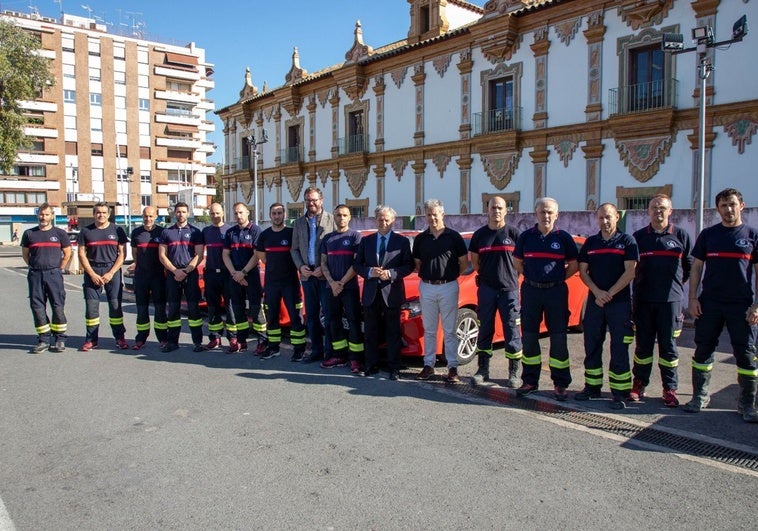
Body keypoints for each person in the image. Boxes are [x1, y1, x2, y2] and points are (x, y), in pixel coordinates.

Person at [685, 188, 758, 422]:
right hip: (710, 304)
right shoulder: (708, 235)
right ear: (717, 209)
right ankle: (700, 396)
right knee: (703, 349)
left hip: (741, 305)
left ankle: (747, 404)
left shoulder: (752, 235)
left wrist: (757, 305)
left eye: (732, 204)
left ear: (742, 206)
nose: (728, 209)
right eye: (724, 205)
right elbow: (696, 267)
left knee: (746, 354)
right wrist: (693, 298)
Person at [513, 197, 579, 400]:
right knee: (530, 337)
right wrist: (533, 278)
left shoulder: (564, 238)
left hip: (556, 293)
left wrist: (557, 279)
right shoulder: (526, 237)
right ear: (536, 214)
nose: (546, 216)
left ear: (557, 215)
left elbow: (574, 265)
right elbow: (517, 262)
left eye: (550, 212)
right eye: (543, 212)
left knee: (558, 338)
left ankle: (560, 383)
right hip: (531, 291)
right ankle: (530, 380)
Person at [631, 194, 692, 407]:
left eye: (663, 208)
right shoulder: (638, 237)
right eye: (654, 208)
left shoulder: (681, 236)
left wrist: (674, 286)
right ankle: (639, 384)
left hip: (670, 303)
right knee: (643, 347)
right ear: (648, 211)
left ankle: (670, 389)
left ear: (670, 210)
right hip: (644, 301)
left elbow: (689, 267)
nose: (659, 211)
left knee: (669, 349)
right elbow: (631, 268)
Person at [577, 203, 638, 409]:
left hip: (619, 303)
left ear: (617, 218)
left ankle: (620, 392)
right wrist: (597, 292)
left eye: (609, 217)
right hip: (595, 302)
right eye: (601, 217)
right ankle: (592, 387)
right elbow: (583, 272)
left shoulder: (627, 241)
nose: (605, 221)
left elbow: (630, 272)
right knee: (592, 344)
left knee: (619, 347)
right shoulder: (591, 243)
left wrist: (609, 294)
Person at [412, 199, 468, 383]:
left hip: (448, 286)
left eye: (435, 214)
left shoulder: (454, 237)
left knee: (450, 330)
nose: (432, 218)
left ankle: (452, 367)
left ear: (442, 214)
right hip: (427, 286)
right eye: (428, 214)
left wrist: (449, 277)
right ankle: (429, 365)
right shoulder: (420, 239)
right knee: (429, 329)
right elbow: (417, 264)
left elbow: (463, 263)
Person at [355, 205, 413, 380]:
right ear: (375, 220)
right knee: (370, 331)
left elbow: (408, 266)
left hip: (392, 291)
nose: (383, 222)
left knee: (393, 332)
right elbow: (357, 265)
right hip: (371, 291)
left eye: (387, 219)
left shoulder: (401, 241)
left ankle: (394, 367)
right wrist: (369, 272)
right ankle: (370, 364)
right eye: (380, 219)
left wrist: (390, 274)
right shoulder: (367, 241)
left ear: (393, 221)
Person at [469, 196, 522, 386]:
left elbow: (521, 263)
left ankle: (514, 372)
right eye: (493, 208)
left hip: (509, 290)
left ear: (506, 210)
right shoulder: (479, 235)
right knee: (485, 329)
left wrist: (512, 279)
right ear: (487, 210)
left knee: (512, 330)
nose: (496, 211)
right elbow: (475, 263)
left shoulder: (514, 234)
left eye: (500, 208)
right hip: (487, 290)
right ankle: (483, 369)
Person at [256, 202, 307, 360]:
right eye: (274, 213)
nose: (277, 216)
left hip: (290, 283)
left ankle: (299, 349)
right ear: (270, 215)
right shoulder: (264, 236)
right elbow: (262, 257)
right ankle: (273, 347)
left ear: (284, 215)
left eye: (279, 213)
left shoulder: (291, 233)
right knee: (271, 317)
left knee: (295, 317)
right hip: (272, 283)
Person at [291, 186, 335, 363]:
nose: (311, 203)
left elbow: (336, 248)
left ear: (321, 201)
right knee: (311, 316)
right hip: (307, 276)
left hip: (324, 276)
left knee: (329, 315)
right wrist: (301, 267)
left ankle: (330, 351)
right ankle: (316, 350)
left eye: (314, 200)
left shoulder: (331, 220)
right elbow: (294, 249)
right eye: (308, 200)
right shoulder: (298, 223)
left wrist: (323, 269)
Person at [78, 202, 130, 351]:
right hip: (92, 271)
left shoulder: (117, 230)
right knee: (91, 309)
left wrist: (111, 272)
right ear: (94, 214)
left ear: (109, 214)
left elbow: (122, 254)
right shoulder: (85, 231)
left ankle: (120, 338)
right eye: (98, 212)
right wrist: (92, 273)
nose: (101, 215)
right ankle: (91, 340)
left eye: (104, 212)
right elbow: (81, 253)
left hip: (111, 271)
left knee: (115, 307)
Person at [319, 204, 364, 373]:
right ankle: (339, 355)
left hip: (349, 287)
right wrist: (332, 283)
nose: (341, 218)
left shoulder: (356, 237)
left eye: (345, 215)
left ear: (350, 217)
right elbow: (323, 263)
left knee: (353, 322)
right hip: (331, 288)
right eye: (338, 215)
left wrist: (342, 283)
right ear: (334, 217)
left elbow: (356, 264)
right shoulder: (328, 239)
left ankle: (356, 358)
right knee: (333, 321)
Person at [21, 203, 71, 353]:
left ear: (52, 216)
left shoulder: (60, 234)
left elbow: (67, 254)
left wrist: (59, 268)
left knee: (58, 306)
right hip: (35, 274)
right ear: (38, 215)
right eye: (41, 214)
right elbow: (25, 254)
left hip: (54, 274)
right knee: (37, 307)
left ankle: (60, 338)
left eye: (47, 214)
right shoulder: (29, 234)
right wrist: (34, 266)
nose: (44, 217)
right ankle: (43, 339)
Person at [222, 202, 268, 355]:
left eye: (241, 212)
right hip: (234, 277)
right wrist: (235, 273)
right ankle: (241, 341)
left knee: (256, 309)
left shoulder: (256, 231)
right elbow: (225, 255)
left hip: (251, 276)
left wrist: (243, 272)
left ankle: (262, 341)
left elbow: (257, 255)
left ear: (248, 213)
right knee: (237, 309)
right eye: (235, 213)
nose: (238, 216)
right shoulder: (230, 233)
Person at [158, 202, 205, 353]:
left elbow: (199, 255)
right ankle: (172, 342)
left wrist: (186, 271)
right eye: (178, 212)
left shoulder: (195, 232)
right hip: (172, 275)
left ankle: (197, 342)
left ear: (188, 213)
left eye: (183, 212)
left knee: (193, 310)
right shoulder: (166, 232)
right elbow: (162, 256)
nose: (180, 214)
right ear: (174, 213)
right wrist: (175, 271)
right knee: (173, 309)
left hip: (190, 274)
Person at [128, 206, 168, 350]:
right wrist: (137, 266)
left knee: (160, 309)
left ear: (156, 216)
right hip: (141, 276)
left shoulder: (162, 232)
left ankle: (163, 338)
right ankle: (141, 338)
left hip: (158, 276)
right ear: (142, 216)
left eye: (151, 216)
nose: (148, 219)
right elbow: (135, 253)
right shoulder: (136, 233)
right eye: (145, 216)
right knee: (142, 309)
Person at [202, 203, 234, 351]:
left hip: (227, 273)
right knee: (212, 307)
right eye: (212, 213)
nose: (215, 216)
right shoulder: (206, 231)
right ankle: (215, 337)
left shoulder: (229, 231)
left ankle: (233, 337)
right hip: (210, 273)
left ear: (223, 213)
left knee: (230, 306)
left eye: (217, 213)